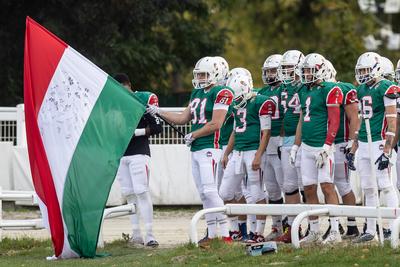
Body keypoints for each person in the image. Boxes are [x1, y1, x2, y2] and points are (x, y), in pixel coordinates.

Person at [147, 56, 234, 247]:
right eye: (199, 74)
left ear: (217, 73)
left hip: (211, 147)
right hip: (196, 148)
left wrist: (194, 134)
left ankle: (227, 234)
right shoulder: (196, 93)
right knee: (203, 193)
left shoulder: (222, 91)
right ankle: (211, 235)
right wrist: (158, 111)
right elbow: (182, 118)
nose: (201, 78)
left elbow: (216, 123)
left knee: (211, 192)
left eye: (204, 74)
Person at [347, 52, 399, 243]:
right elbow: (360, 121)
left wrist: (387, 149)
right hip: (364, 142)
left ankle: (396, 226)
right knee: (368, 187)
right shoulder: (360, 90)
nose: (362, 74)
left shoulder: (385, 87)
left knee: (385, 184)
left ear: (377, 68)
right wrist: (353, 148)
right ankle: (370, 230)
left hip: (378, 141)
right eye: (360, 70)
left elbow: (392, 122)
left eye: (366, 70)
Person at [293, 53, 344, 245]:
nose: (306, 74)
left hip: (323, 146)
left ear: (320, 70)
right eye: (304, 70)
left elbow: (335, 120)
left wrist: (327, 144)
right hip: (306, 146)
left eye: (309, 70)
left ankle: (335, 230)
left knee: (327, 186)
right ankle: (314, 231)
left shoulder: (329, 89)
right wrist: (296, 146)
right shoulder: (303, 90)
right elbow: (301, 120)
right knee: (308, 188)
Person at [219, 74, 276, 243]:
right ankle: (235, 229)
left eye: (238, 97)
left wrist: (259, 154)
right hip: (238, 152)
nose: (236, 102)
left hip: (253, 151)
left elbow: (266, 132)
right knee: (225, 192)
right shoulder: (238, 105)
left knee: (256, 192)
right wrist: (226, 153)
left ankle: (258, 233)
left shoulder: (260, 102)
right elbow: (235, 131)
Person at [113, 73, 162, 248]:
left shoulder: (142, 101)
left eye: (122, 88)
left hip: (139, 153)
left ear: (129, 85)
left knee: (141, 191)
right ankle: (136, 234)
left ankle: (149, 234)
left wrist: (136, 133)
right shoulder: (114, 105)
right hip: (122, 154)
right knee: (129, 194)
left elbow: (157, 127)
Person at [321, 60, 360, 239]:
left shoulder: (345, 89)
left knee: (343, 184)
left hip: (340, 142)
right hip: (323, 145)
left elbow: (353, 117)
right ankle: (335, 225)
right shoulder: (316, 90)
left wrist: (352, 142)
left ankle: (352, 226)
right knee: (327, 184)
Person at [274, 50, 305, 243]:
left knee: (307, 185)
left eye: (289, 67)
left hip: (304, 139)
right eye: (283, 67)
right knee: (289, 186)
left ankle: (315, 226)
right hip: (286, 140)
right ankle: (294, 228)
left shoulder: (305, 86)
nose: (285, 71)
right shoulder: (283, 87)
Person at [258, 54, 285, 241]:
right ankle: (277, 226)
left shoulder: (286, 90)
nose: (269, 75)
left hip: (280, 140)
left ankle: (292, 226)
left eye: (273, 70)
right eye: (267, 71)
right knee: (272, 188)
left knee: (287, 186)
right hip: (265, 142)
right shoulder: (262, 92)